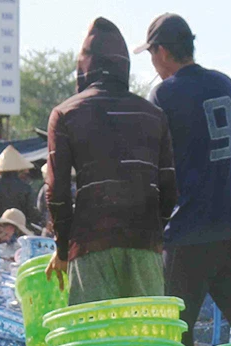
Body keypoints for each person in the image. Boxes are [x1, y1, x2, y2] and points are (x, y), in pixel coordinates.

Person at [140, 12, 231, 346]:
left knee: (175, 334)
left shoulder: (165, 94)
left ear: (162, 51)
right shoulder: (224, 83)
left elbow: (155, 168)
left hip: (190, 228)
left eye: (152, 55)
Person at [45, 17, 177, 305]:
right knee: (147, 340)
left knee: (95, 341)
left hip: (91, 246)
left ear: (84, 66)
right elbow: (169, 188)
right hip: (144, 245)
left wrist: (63, 249)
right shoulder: (153, 116)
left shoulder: (65, 114)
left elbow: (56, 192)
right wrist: (152, 234)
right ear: (123, 65)